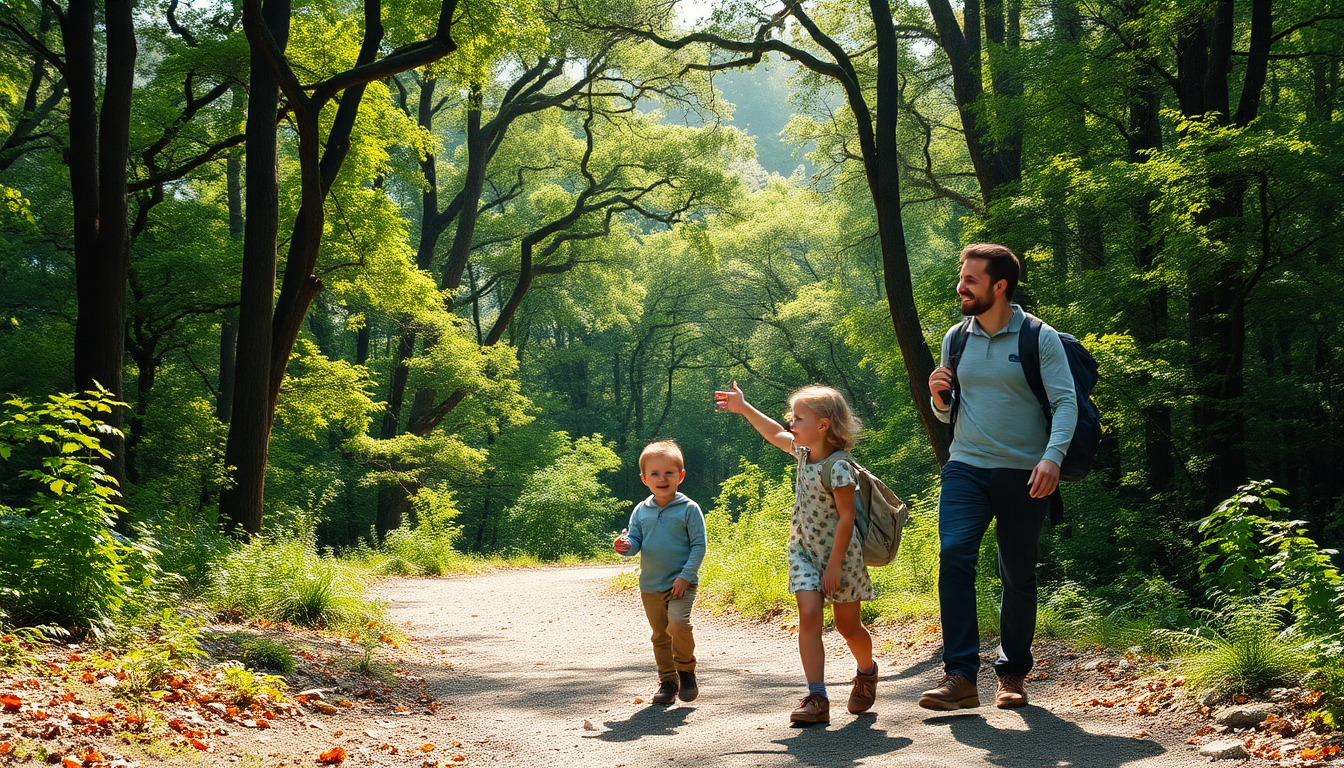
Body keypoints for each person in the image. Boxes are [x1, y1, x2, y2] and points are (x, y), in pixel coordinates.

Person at [919, 243, 1078, 711]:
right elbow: (949, 414)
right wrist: (939, 399)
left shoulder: (1038, 337)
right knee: (954, 555)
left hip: (1026, 473)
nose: (960, 287)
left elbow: (1065, 402)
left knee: (1017, 573)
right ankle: (960, 676)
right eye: (961, 277)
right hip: (965, 467)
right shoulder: (956, 338)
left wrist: (1052, 458)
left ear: (1000, 285)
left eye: (970, 280)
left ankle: (1012, 675)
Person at [715, 383, 877, 725]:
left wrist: (833, 567)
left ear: (823, 425)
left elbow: (847, 518)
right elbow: (773, 432)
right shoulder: (803, 454)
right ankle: (817, 696)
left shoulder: (839, 466)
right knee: (809, 615)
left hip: (841, 559)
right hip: (803, 552)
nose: (791, 422)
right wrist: (743, 407)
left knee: (849, 627)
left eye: (798, 417)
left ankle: (866, 672)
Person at [614, 440, 707, 705]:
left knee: (678, 624)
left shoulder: (689, 509)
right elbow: (634, 541)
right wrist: (625, 545)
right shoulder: (641, 510)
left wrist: (685, 577)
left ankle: (686, 672)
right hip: (650, 586)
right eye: (654, 473)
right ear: (644, 479)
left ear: (681, 476)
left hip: (681, 583)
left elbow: (699, 546)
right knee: (660, 635)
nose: (662, 479)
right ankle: (668, 681)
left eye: (669, 473)